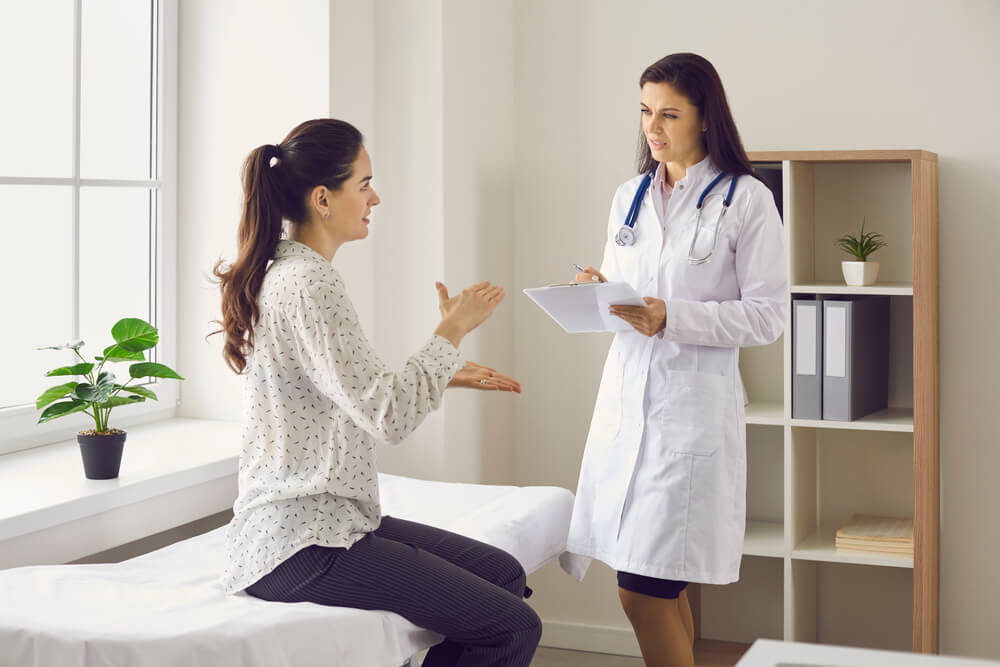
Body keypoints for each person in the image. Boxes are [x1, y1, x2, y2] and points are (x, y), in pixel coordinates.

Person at [212, 118, 541, 666]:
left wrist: (442, 371)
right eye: (364, 184)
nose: (375, 197)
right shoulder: (310, 282)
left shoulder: (291, 271)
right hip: (301, 544)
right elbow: (387, 417)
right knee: (512, 628)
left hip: (329, 521)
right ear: (323, 198)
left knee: (503, 573)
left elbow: (348, 391)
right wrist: (452, 329)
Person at [566, 53, 788, 667]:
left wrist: (674, 317)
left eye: (669, 114)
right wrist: (599, 289)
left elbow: (768, 316)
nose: (652, 127)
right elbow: (632, 287)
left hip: (689, 412)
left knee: (643, 590)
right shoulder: (629, 197)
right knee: (659, 581)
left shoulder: (746, 200)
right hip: (625, 406)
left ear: (705, 119)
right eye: (645, 111)